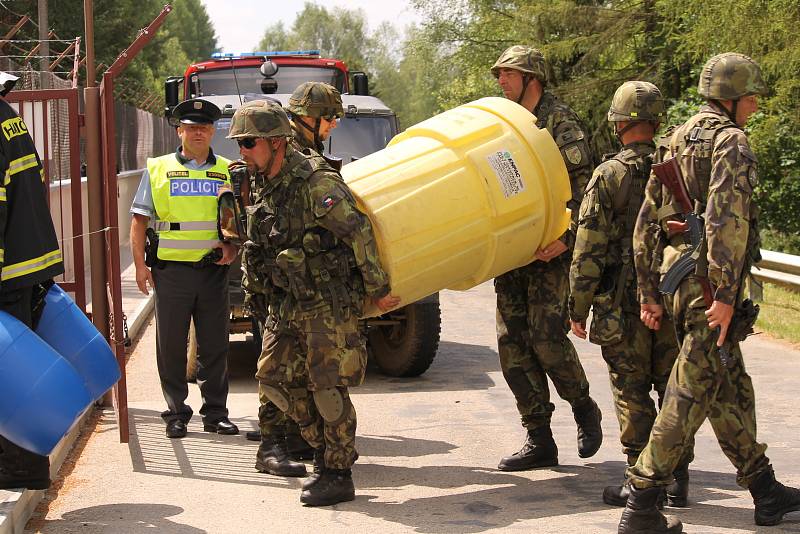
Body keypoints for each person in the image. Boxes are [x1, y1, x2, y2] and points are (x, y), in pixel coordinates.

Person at [619, 53, 800, 533]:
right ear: (733, 96)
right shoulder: (731, 143)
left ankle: (765, 490)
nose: (757, 105)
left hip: (679, 284)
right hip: (708, 291)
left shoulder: (675, 138)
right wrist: (723, 292)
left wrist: (649, 292)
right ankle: (641, 502)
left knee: (728, 387)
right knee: (687, 392)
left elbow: (645, 223)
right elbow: (725, 219)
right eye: (753, 96)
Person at [230, 99, 399, 506]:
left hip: (326, 302)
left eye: (249, 142)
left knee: (328, 388)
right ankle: (325, 445)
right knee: (271, 378)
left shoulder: (316, 182)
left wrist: (378, 288)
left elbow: (357, 233)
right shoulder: (265, 181)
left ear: (276, 143)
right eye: (240, 143)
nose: (242, 151)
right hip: (288, 301)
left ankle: (337, 472)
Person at [568, 81, 693, 507]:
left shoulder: (609, 175)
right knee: (672, 383)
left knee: (630, 387)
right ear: (656, 121)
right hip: (674, 292)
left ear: (618, 123)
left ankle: (640, 476)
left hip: (622, 303)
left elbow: (588, 247)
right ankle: (677, 473)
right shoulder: (676, 168)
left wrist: (577, 307)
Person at [490, 45, 602, 470]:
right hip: (513, 254)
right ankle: (539, 438)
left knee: (547, 340)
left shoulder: (560, 124)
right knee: (511, 346)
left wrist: (568, 239)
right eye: (499, 75)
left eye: (508, 74)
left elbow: (588, 195)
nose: (500, 81)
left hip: (551, 255)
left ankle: (583, 407)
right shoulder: (503, 124)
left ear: (531, 78)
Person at [243, 82, 344, 466]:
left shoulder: (299, 150)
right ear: (308, 117)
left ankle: (290, 438)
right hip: (284, 275)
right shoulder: (287, 151)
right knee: (278, 363)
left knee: (289, 363)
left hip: (290, 274)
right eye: (330, 118)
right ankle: (273, 442)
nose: (333, 125)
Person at [130, 98, 239, 439]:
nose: (197, 133)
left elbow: (233, 218)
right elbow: (138, 220)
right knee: (172, 346)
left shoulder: (226, 169)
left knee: (215, 345)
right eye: (191, 127)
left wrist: (232, 246)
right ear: (180, 131)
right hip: (171, 272)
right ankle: (176, 412)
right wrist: (139, 267)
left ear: (212, 131)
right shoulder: (158, 168)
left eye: (204, 127)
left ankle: (216, 413)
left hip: (212, 271)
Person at [0, 72, 64, 490]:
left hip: (7, 270)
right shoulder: (9, 119)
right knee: (16, 368)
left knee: (9, 372)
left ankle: (21, 466)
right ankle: (25, 463)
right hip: (26, 263)